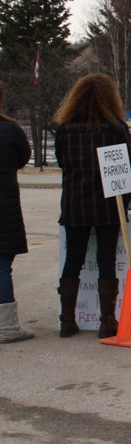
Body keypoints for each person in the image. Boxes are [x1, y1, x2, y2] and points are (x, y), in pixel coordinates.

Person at [54, 73, 131, 339]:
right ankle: (107, 321)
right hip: (108, 205)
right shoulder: (116, 128)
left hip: (75, 204)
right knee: (106, 261)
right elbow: (124, 170)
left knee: (72, 261)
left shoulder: (64, 130)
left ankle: (66, 320)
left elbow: (63, 164)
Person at [0, 81, 34, 343]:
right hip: (4, 205)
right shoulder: (11, 130)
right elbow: (23, 157)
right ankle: (7, 325)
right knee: (2, 264)